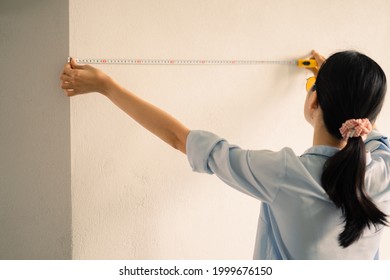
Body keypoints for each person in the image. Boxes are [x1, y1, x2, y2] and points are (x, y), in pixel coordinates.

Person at [60, 50, 390, 259]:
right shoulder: (383, 172)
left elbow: (179, 138)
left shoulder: (283, 173)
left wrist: (106, 86)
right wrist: (335, 86)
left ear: (314, 102)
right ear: (369, 119)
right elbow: (371, 133)